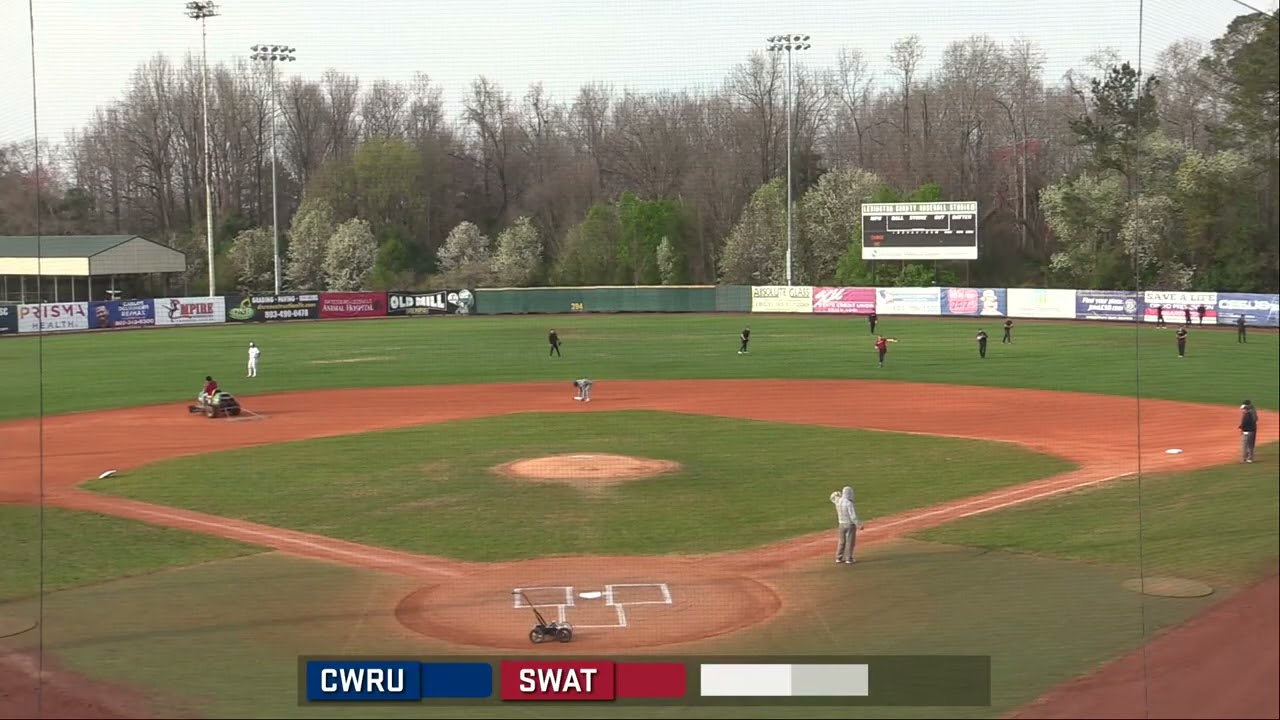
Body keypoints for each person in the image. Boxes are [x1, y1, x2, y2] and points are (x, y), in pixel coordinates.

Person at [829, 486, 864, 564]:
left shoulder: (838, 501)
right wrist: (858, 524)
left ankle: (839, 557)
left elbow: (832, 497)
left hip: (841, 524)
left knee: (841, 541)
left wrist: (836, 493)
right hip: (850, 525)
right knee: (850, 542)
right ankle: (849, 558)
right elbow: (853, 516)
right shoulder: (849, 503)